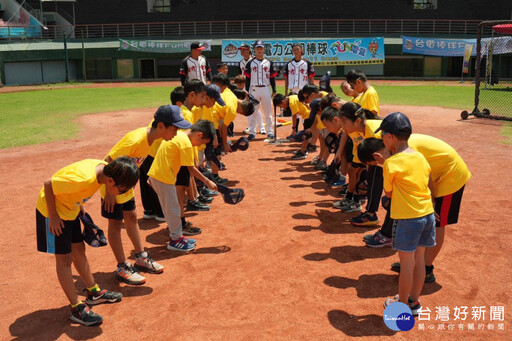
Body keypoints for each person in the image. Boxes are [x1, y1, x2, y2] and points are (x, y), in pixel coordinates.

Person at [36, 156, 139, 325]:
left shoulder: (104, 169)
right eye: (123, 190)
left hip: (70, 209)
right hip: (52, 213)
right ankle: (76, 308)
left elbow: (72, 184)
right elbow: (49, 184)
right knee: (64, 259)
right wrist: (53, 216)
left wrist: (78, 202)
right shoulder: (83, 180)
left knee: (79, 250)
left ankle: (94, 292)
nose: (123, 194)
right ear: (111, 181)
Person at [358, 135, 471, 282]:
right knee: (421, 217)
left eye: (374, 164)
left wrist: (431, 203)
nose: (377, 166)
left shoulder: (404, 153)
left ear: (377, 156)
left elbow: (426, 177)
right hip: (435, 176)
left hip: (449, 176)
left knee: (437, 222)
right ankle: (416, 264)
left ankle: (426, 269)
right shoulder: (395, 149)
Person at [102, 106, 186, 284]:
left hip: (126, 185)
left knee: (131, 218)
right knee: (115, 224)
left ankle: (141, 257)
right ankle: (122, 266)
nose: (177, 133)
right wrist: (109, 193)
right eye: (175, 128)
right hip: (112, 186)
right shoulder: (136, 139)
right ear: (162, 126)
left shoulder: (155, 139)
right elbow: (108, 162)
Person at [376, 112, 436, 316]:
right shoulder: (419, 156)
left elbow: (389, 193)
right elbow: (427, 180)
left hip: (409, 218)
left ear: (390, 136)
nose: (383, 139)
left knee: (406, 264)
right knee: (419, 260)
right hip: (427, 214)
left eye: (383, 135)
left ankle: (401, 306)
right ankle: (414, 301)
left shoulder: (391, 163)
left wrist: (385, 164)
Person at [148, 116, 218, 252]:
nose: (198, 146)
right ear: (199, 134)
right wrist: (207, 181)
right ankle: (175, 240)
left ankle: (177, 235)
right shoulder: (186, 143)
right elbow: (191, 168)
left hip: (158, 175)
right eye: (201, 142)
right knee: (173, 209)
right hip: (163, 177)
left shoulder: (179, 134)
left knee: (171, 208)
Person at [140, 87, 186, 222]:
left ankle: (149, 210)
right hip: (154, 154)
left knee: (145, 180)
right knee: (156, 181)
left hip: (146, 153)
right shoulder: (171, 119)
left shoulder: (163, 115)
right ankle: (160, 212)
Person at [337, 102, 382, 227]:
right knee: (372, 177)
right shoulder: (356, 130)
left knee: (375, 179)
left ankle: (371, 214)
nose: (341, 126)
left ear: (357, 121)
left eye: (344, 122)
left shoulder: (373, 132)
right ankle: (370, 212)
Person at [244, 40, 278, 140]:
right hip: (254, 89)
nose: (259, 50)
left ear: (264, 49)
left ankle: (270, 132)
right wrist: (247, 91)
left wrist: (274, 90)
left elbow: (272, 78)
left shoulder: (269, 62)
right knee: (253, 112)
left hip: (266, 89)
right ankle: (252, 132)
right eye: (257, 48)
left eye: (261, 48)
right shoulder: (250, 63)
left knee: (268, 112)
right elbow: (247, 79)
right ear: (254, 49)